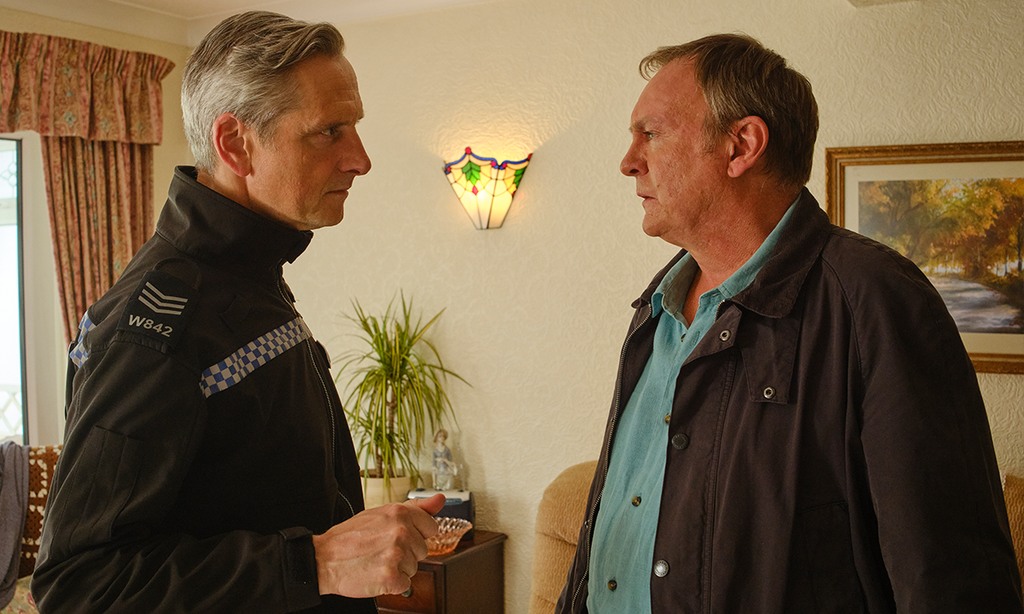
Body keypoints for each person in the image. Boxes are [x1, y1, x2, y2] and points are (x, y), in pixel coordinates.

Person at [557, 33, 1023, 613]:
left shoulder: (876, 300)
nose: (628, 161)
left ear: (741, 145)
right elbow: (615, 512)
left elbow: (950, 579)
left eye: (650, 133)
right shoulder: (655, 311)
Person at [32, 11, 444, 613]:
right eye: (330, 131)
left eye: (353, 127)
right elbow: (79, 584)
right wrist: (317, 563)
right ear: (235, 144)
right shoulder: (159, 326)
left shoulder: (249, 281)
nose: (361, 159)